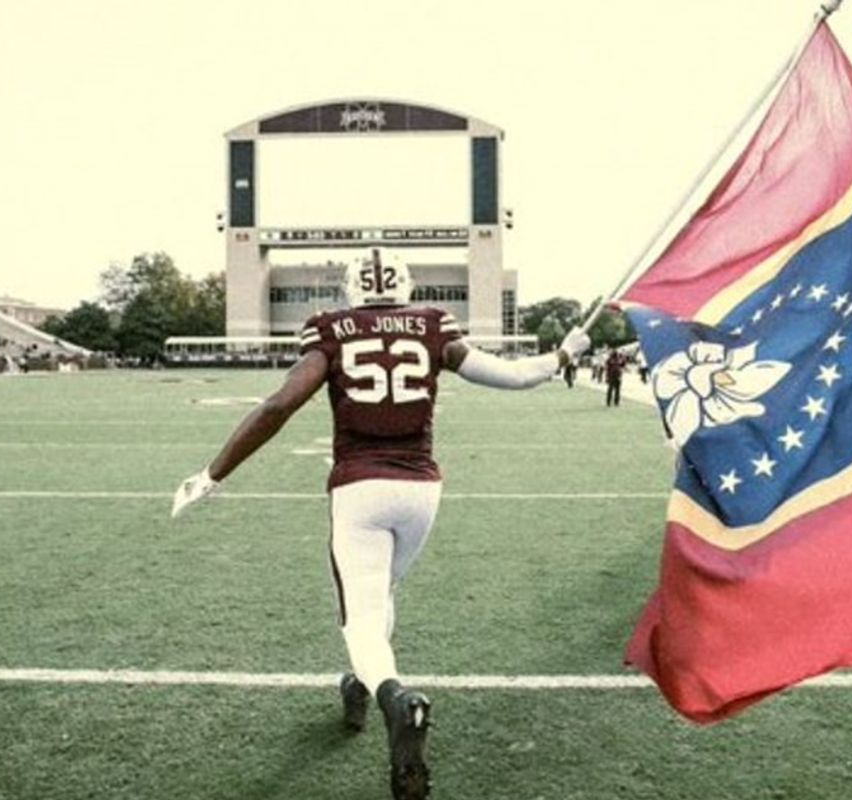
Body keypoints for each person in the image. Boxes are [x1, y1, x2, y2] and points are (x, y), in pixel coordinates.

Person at [170, 248, 589, 800]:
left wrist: (213, 472)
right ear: (405, 284)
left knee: (362, 620)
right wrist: (563, 354)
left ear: (351, 288)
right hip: (421, 489)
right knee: (382, 590)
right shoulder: (433, 325)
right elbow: (512, 376)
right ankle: (359, 684)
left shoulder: (331, 329)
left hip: (360, 486)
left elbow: (279, 406)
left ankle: (394, 699)